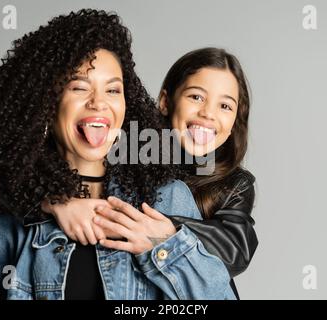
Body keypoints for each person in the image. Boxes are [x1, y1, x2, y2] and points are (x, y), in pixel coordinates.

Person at [0, 9, 235, 300]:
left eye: (113, 90)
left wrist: (165, 247)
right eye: (79, 87)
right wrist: (52, 202)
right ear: (45, 104)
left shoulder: (168, 200)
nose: (99, 103)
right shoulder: (3, 233)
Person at [46, 47, 258, 298]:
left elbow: (236, 248)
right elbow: (54, 161)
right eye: (196, 97)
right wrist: (54, 201)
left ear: (235, 121)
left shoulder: (234, 183)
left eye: (225, 105)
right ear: (165, 102)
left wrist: (163, 231)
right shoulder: (127, 150)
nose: (208, 113)